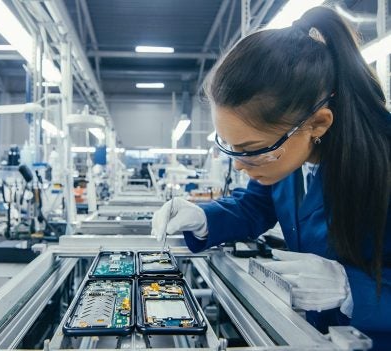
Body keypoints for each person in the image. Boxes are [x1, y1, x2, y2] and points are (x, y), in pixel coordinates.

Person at [152, 6, 390, 350]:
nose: (238, 165)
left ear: (318, 124)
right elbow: (255, 205)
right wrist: (203, 218)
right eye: (231, 147)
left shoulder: (381, 160)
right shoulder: (289, 154)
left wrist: (353, 289)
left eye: (251, 149)